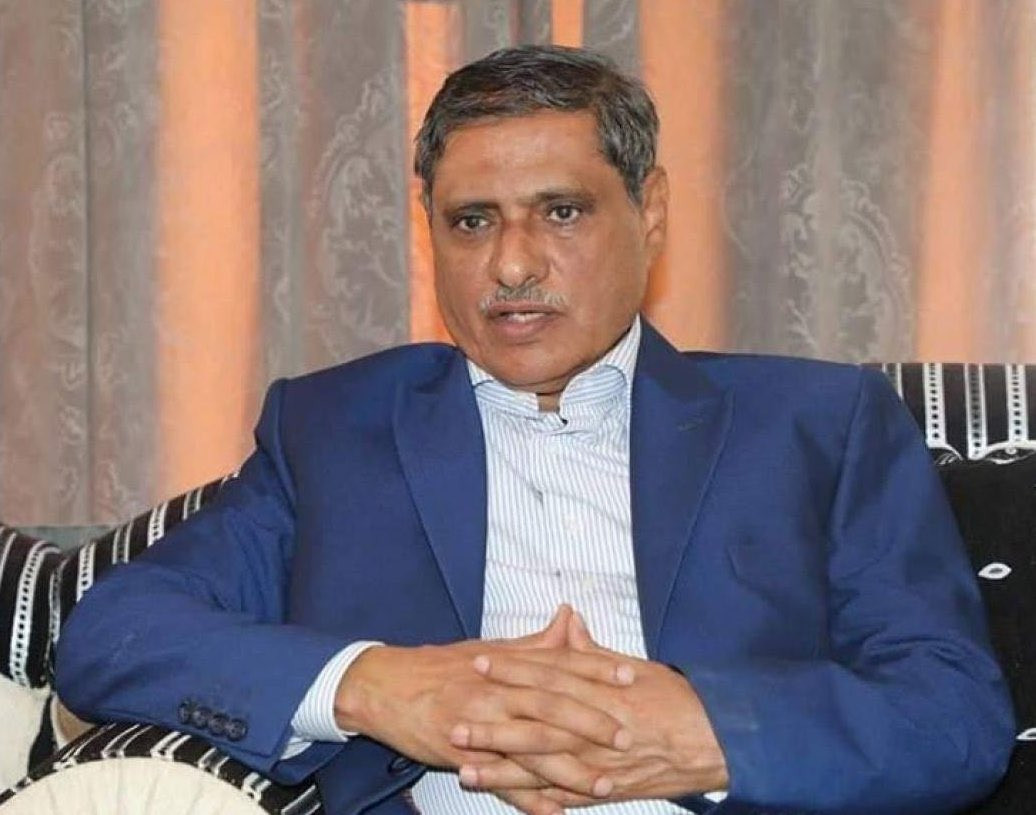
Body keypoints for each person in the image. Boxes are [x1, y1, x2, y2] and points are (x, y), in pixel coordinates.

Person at [56, 45, 1014, 815]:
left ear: (650, 212)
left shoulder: (818, 424)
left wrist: (706, 730)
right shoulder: (334, 428)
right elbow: (114, 632)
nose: (513, 265)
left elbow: (954, 714)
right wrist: (379, 686)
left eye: (561, 212)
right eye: (472, 222)